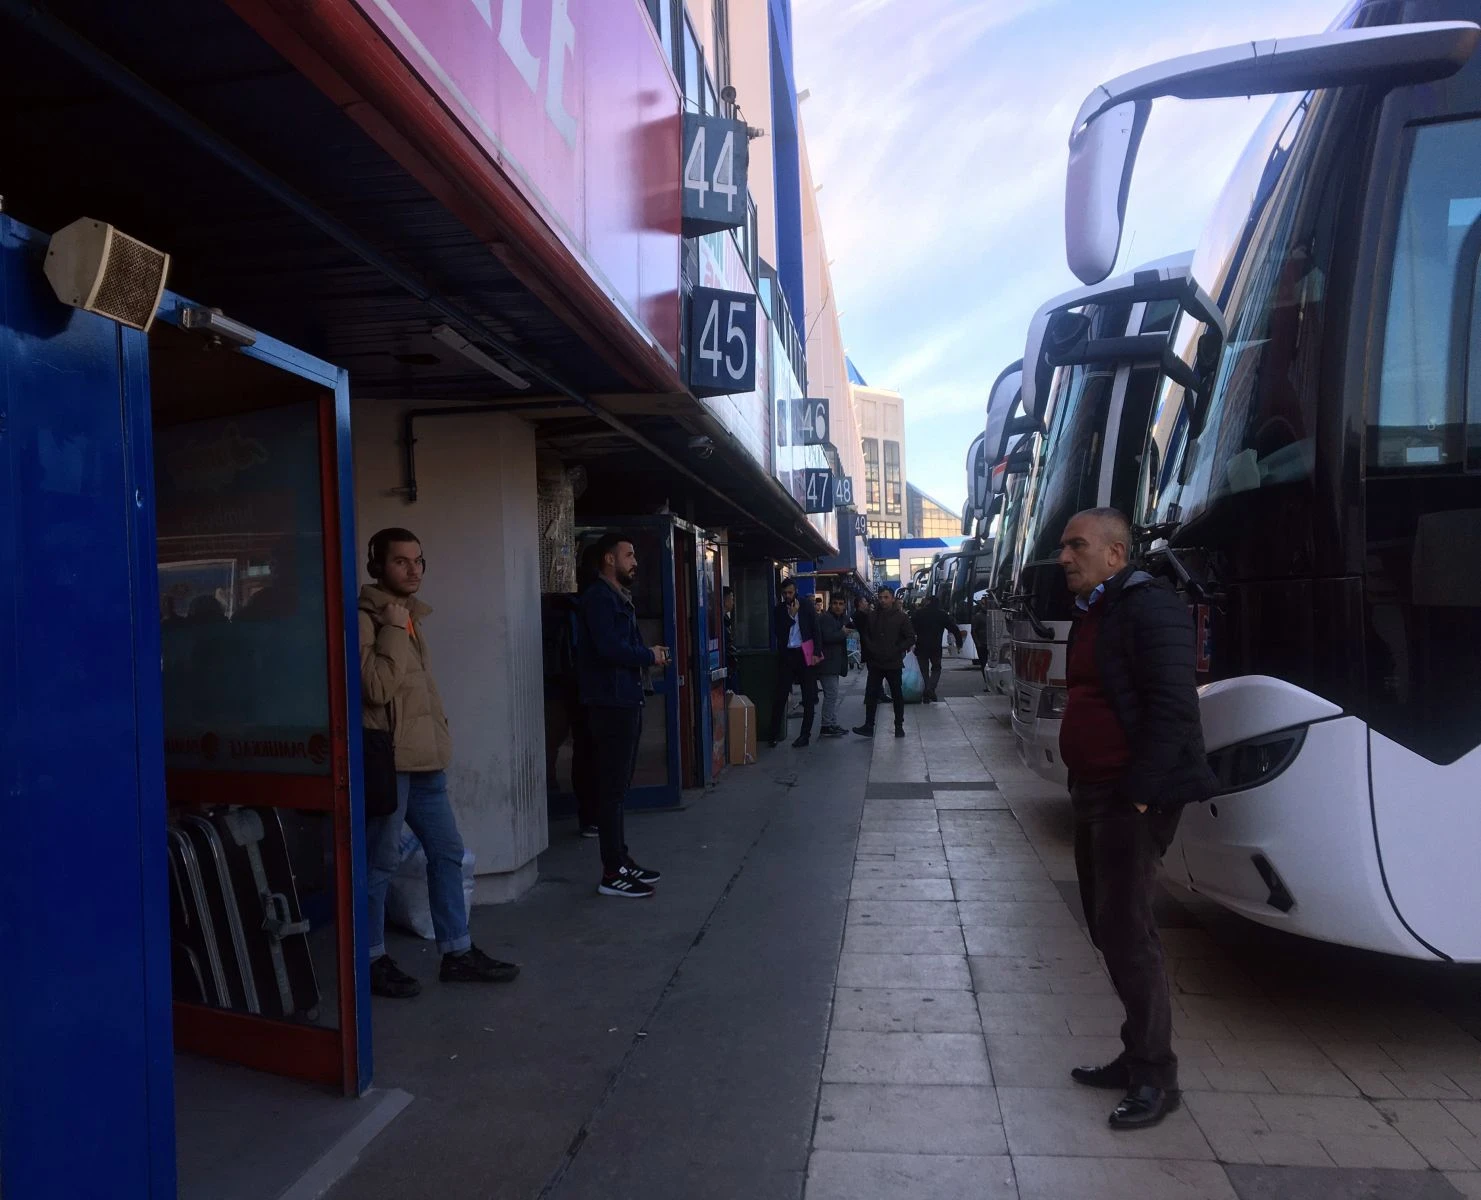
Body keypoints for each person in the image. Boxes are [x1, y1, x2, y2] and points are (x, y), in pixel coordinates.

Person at [1056, 507, 1217, 1130]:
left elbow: (1175, 707)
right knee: (1106, 926)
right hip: (1095, 791)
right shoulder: (1099, 610)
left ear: (1116, 554)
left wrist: (1142, 795)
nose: (1064, 557)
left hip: (1128, 797)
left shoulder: (1151, 608)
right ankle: (1135, 1055)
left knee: (1129, 933)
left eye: (1077, 546)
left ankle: (1155, 1075)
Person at [360, 527, 519, 998]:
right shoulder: (370, 618)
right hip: (390, 765)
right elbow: (375, 689)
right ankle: (369, 959)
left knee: (447, 854)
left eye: (419, 561)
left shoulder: (409, 617)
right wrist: (390, 625)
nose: (413, 570)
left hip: (426, 761)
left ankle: (457, 952)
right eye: (400, 562)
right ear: (377, 567)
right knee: (379, 864)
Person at [577, 533, 668, 899]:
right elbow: (610, 648)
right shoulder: (599, 598)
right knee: (612, 790)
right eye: (628, 555)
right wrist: (649, 656)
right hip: (611, 703)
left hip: (624, 699)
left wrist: (646, 655)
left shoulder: (616, 598)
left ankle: (621, 859)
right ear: (608, 560)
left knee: (618, 789)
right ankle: (612, 871)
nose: (635, 562)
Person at [853, 585, 915, 739]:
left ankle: (899, 725)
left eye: (886, 597)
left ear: (892, 598)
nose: (883, 600)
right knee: (871, 694)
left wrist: (897, 649)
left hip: (893, 662)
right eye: (880, 597)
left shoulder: (901, 617)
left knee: (896, 694)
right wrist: (871, 648)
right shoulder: (872, 615)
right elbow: (866, 634)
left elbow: (910, 637)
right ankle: (868, 725)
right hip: (876, 662)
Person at [768, 577, 820, 749]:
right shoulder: (779, 610)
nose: (788, 596)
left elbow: (815, 629)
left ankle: (805, 735)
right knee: (780, 695)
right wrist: (791, 617)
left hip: (805, 653)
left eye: (790, 592)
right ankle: (773, 734)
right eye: (785, 594)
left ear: (795, 591)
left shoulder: (806, 606)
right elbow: (779, 633)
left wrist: (817, 652)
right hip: (788, 655)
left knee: (808, 696)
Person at [909, 594, 960, 704]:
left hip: (921, 646)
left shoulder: (918, 613)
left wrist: (910, 642)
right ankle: (931, 689)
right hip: (936, 648)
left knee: (924, 671)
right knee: (936, 668)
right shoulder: (942, 614)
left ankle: (926, 691)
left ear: (927, 602)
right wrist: (959, 642)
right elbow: (954, 628)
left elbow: (909, 628)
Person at [815, 594, 851, 737]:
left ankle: (832, 723)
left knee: (833, 694)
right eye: (835, 603)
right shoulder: (826, 619)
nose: (838, 606)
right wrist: (842, 633)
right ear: (830, 605)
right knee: (831, 695)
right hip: (827, 663)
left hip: (834, 663)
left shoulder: (840, 618)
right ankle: (826, 726)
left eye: (841, 603)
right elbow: (827, 637)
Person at [722, 585, 742, 695]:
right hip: (727, 667)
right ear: (726, 600)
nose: (733, 602)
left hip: (730, 667)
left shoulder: (726, 620)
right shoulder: (721, 621)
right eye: (732, 599)